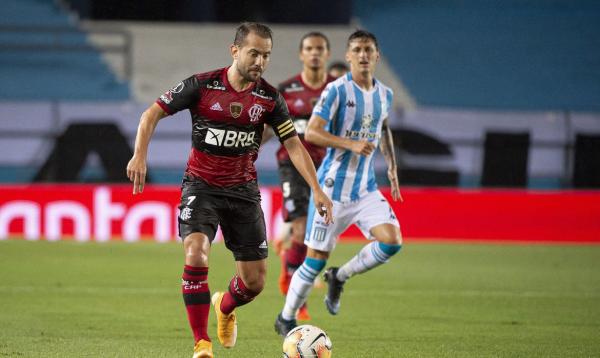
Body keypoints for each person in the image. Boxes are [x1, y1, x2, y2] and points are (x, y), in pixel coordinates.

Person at [126, 22, 333, 358]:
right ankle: (201, 343)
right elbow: (151, 114)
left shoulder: (269, 98)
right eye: (254, 53)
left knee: (254, 283)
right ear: (234, 50)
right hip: (200, 187)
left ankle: (225, 305)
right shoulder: (202, 85)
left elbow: (294, 145)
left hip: (243, 192)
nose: (260, 61)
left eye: (266, 55)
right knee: (195, 253)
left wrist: (317, 190)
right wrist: (139, 155)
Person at [274, 29, 403, 336]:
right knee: (314, 260)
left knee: (391, 241)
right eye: (356, 49)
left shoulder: (385, 94)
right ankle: (286, 316)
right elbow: (313, 133)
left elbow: (383, 129)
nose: (362, 55)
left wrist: (393, 169)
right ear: (347, 55)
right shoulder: (335, 90)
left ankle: (340, 276)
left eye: (368, 49)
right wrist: (350, 144)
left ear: (376, 55)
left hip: (365, 189)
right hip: (332, 190)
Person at [269, 32, 336, 322]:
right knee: (299, 230)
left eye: (320, 49)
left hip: (330, 168)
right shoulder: (286, 90)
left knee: (316, 237)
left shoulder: (339, 90)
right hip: (293, 167)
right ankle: (297, 297)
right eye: (309, 48)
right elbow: (268, 129)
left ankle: (289, 271)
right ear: (301, 54)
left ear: (327, 53)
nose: (315, 53)